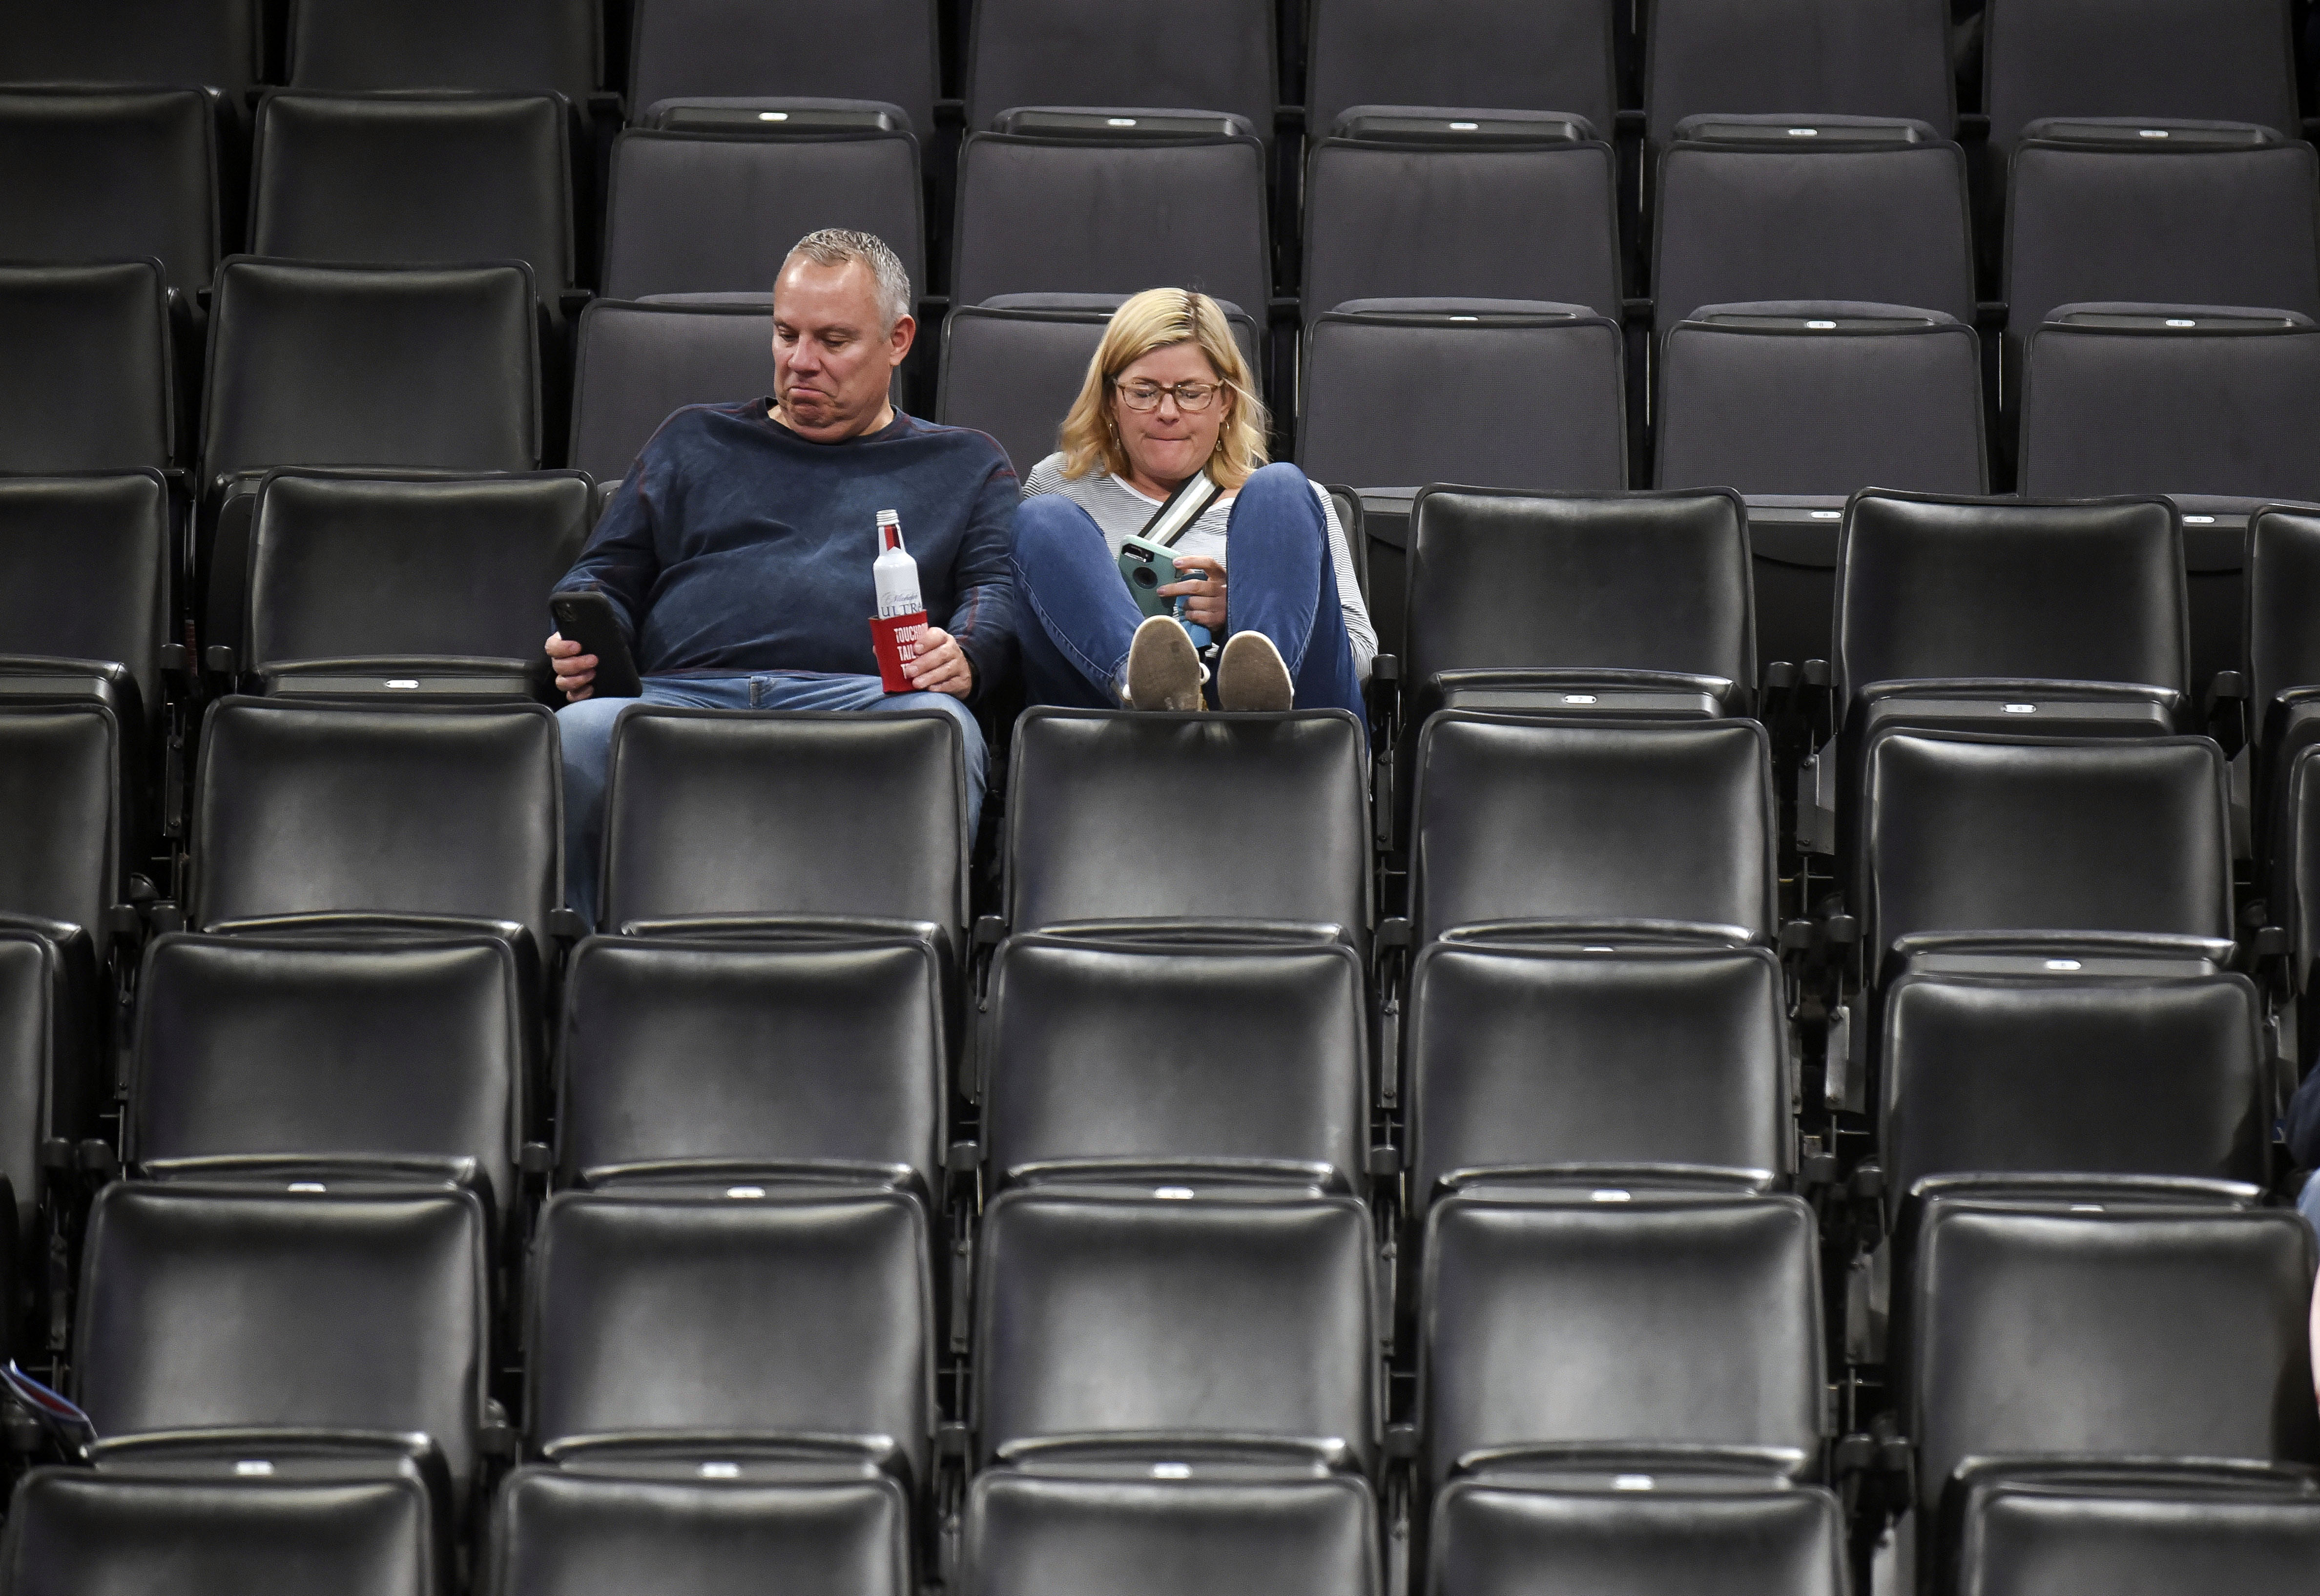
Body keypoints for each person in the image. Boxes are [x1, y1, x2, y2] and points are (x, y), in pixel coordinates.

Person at [547, 228, 1015, 924]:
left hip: (864, 703)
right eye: (785, 334)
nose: (801, 362)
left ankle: (910, 974)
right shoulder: (693, 438)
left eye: (832, 341)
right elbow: (603, 577)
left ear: (899, 339)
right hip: (682, 698)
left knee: (941, 726)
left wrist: (967, 653)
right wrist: (589, 640)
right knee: (576, 733)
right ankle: (581, 968)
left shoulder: (966, 463)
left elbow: (996, 592)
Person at [1010, 288, 1374, 715]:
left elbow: (1361, 658)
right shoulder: (1058, 483)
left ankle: (1260, 684)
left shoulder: (1294, 505)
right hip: (1117, 729)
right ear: (1111, 399)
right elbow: (1024, 636)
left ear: (1225, 401)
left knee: (1279, 485)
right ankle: (1149, 687)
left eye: (1191, 392)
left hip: (1276, 735)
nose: (1167, 410)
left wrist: (1239, 614)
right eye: (1144, 391)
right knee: (1042, 519)